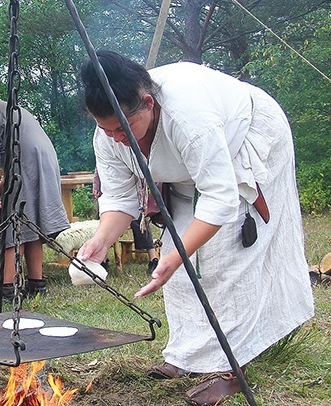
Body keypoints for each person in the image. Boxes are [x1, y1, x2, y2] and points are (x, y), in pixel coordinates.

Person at [77, 50, 314, 406]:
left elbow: (220, 200)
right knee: (178, 253)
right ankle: (188, 355)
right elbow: (120, 198)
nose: (115, 138)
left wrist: (177, 256)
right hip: (187, 171)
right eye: (105, 128)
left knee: (226, 254)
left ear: (148, 103)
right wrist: (101, 239)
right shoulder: (108, 136)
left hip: (245, 137)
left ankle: (230, 367)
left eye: (121, 127)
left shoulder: (190, 118)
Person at [0, 98, 70, 300]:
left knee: (17, 226)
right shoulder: (12, 109)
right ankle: (36, 284)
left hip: (27, 160)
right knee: (33, 225)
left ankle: (8, 288)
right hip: (46, 159)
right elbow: (10, 174)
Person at [93, 169, 158, 273]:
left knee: (142, 225)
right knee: (105, 228)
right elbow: (99, 170)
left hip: (135, 196)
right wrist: (96, 186)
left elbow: (143, 173)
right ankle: (102, 261)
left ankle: (153, 259)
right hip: (111, 197)